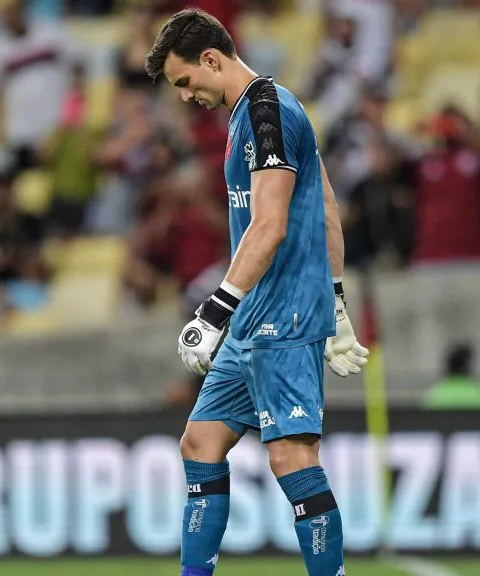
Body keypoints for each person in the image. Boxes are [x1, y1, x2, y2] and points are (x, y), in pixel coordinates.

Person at [144, 9, 370, 576]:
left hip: (284, 314)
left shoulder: (267, 110)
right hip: (255, 317)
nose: (185, 96)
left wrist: (215, 310)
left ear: (212, 60)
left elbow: (270, 227)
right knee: (200, 443)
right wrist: (338, 299)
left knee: (292, 456)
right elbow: (325, 207)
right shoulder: (254, 114)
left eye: (185, 81)